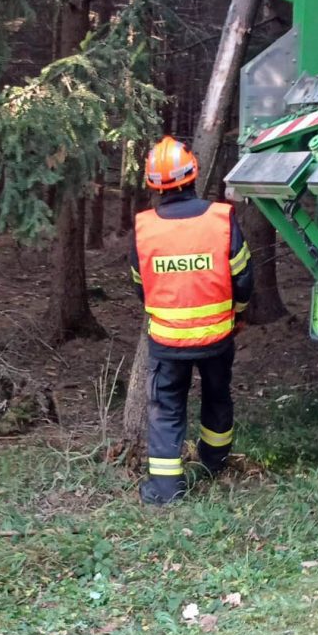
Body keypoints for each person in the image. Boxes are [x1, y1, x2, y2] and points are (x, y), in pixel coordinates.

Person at [129, 136, 253, 505]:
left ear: (154, 184)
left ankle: (166, 490)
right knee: (217, 394)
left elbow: (140, 284)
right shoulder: (221, 218)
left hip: (167, 341)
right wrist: (238, 314)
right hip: (218, 336)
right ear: (193, 174)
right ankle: (215, 463)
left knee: (166, 408)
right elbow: (243, 277)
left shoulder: (144, 228)